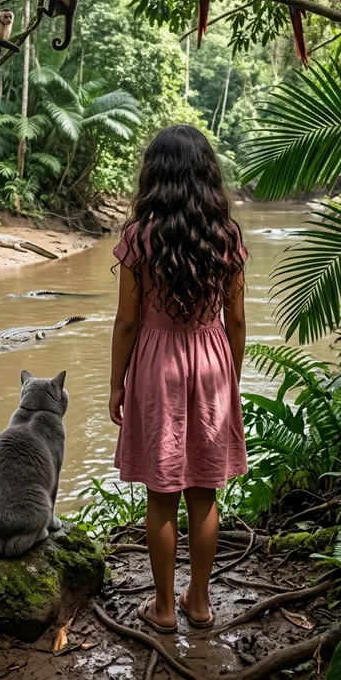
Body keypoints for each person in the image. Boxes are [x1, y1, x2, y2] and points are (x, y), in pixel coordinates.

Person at [109, 124, 248, 633]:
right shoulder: (226, 237)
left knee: (162, 493)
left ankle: (164, 609)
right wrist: (230, 376)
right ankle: (201, 603)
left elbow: (126, 322)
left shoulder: (138, 238)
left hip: (156, 365)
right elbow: (235, 320)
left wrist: (115, 383)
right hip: (212, 362)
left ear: (154, 176)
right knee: (205, 493)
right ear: (208, 176)